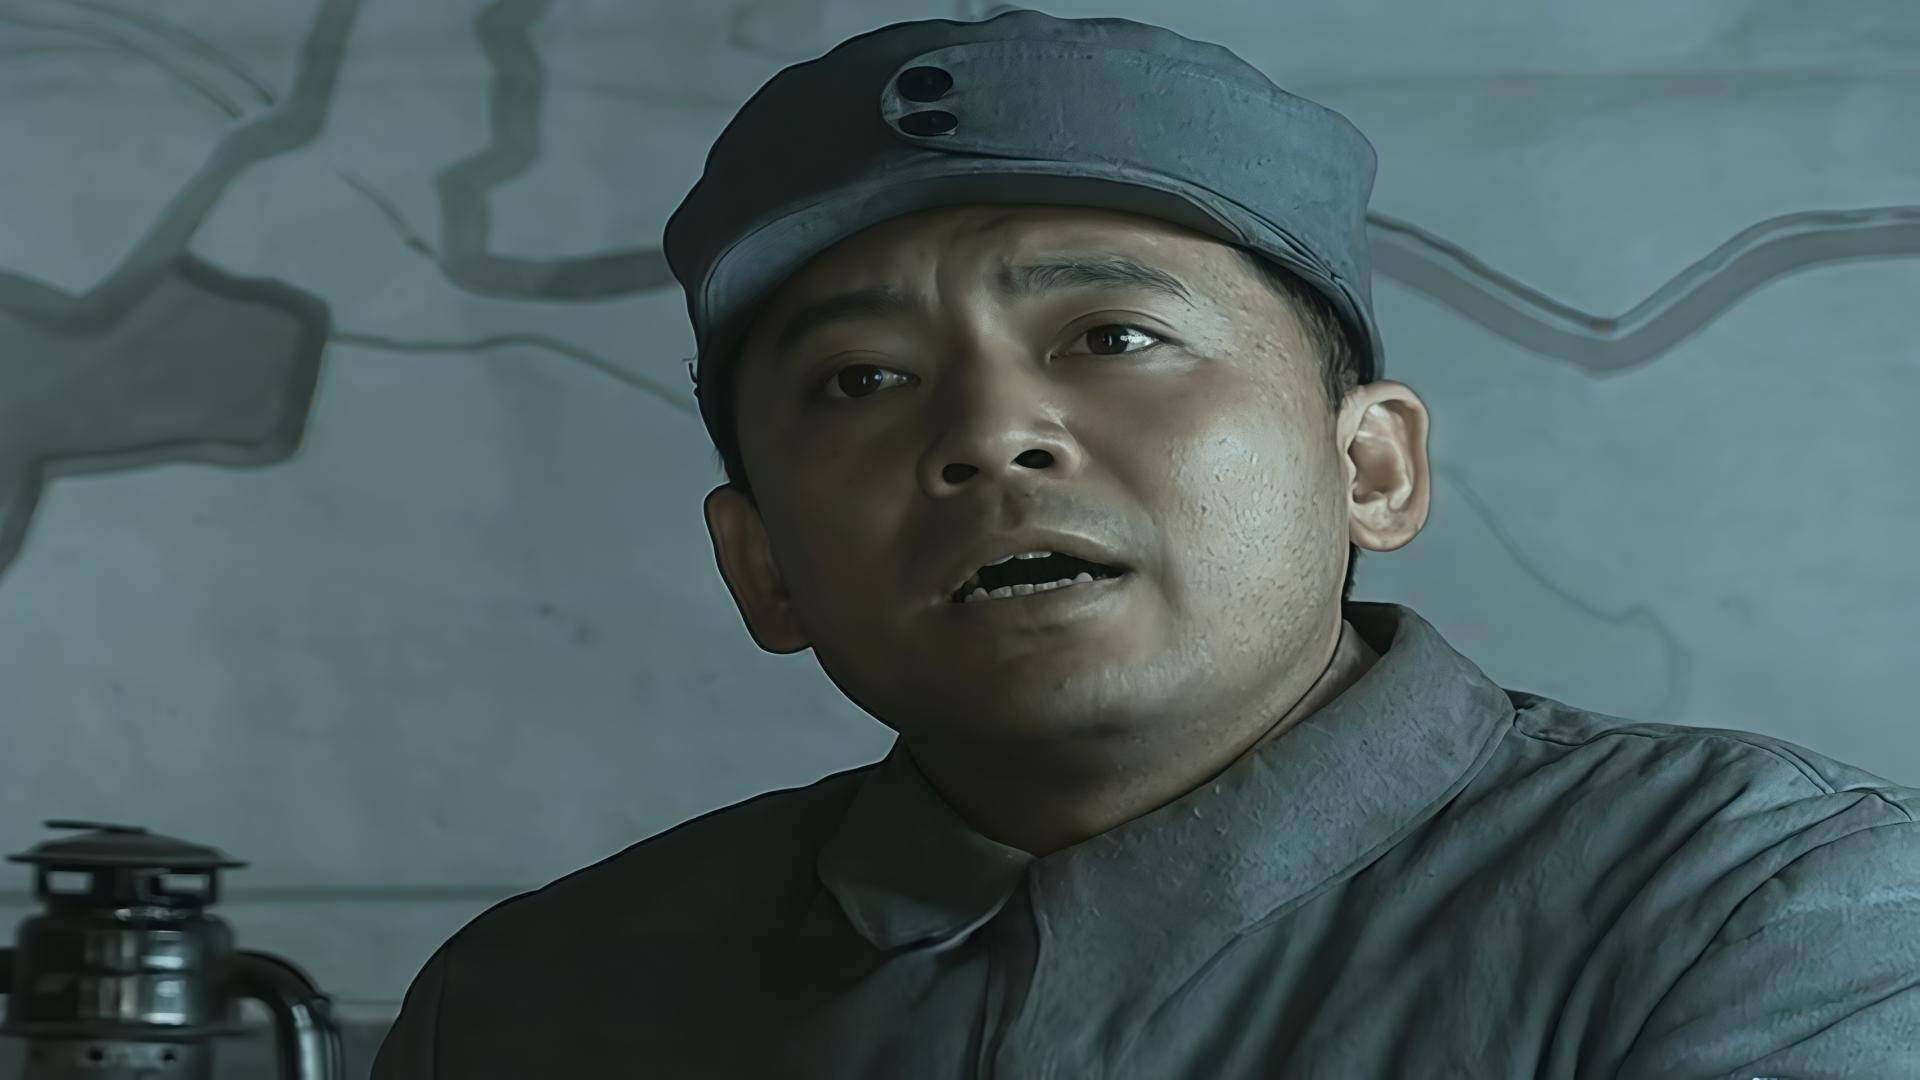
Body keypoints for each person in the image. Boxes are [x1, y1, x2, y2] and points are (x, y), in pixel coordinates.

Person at [372, 10, 1920, 1078]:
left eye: (1112, 336)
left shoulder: (1772, 914)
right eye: (861, 381)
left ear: (1370, 465)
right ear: (761, 562)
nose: (992, 434)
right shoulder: (531, 1008)